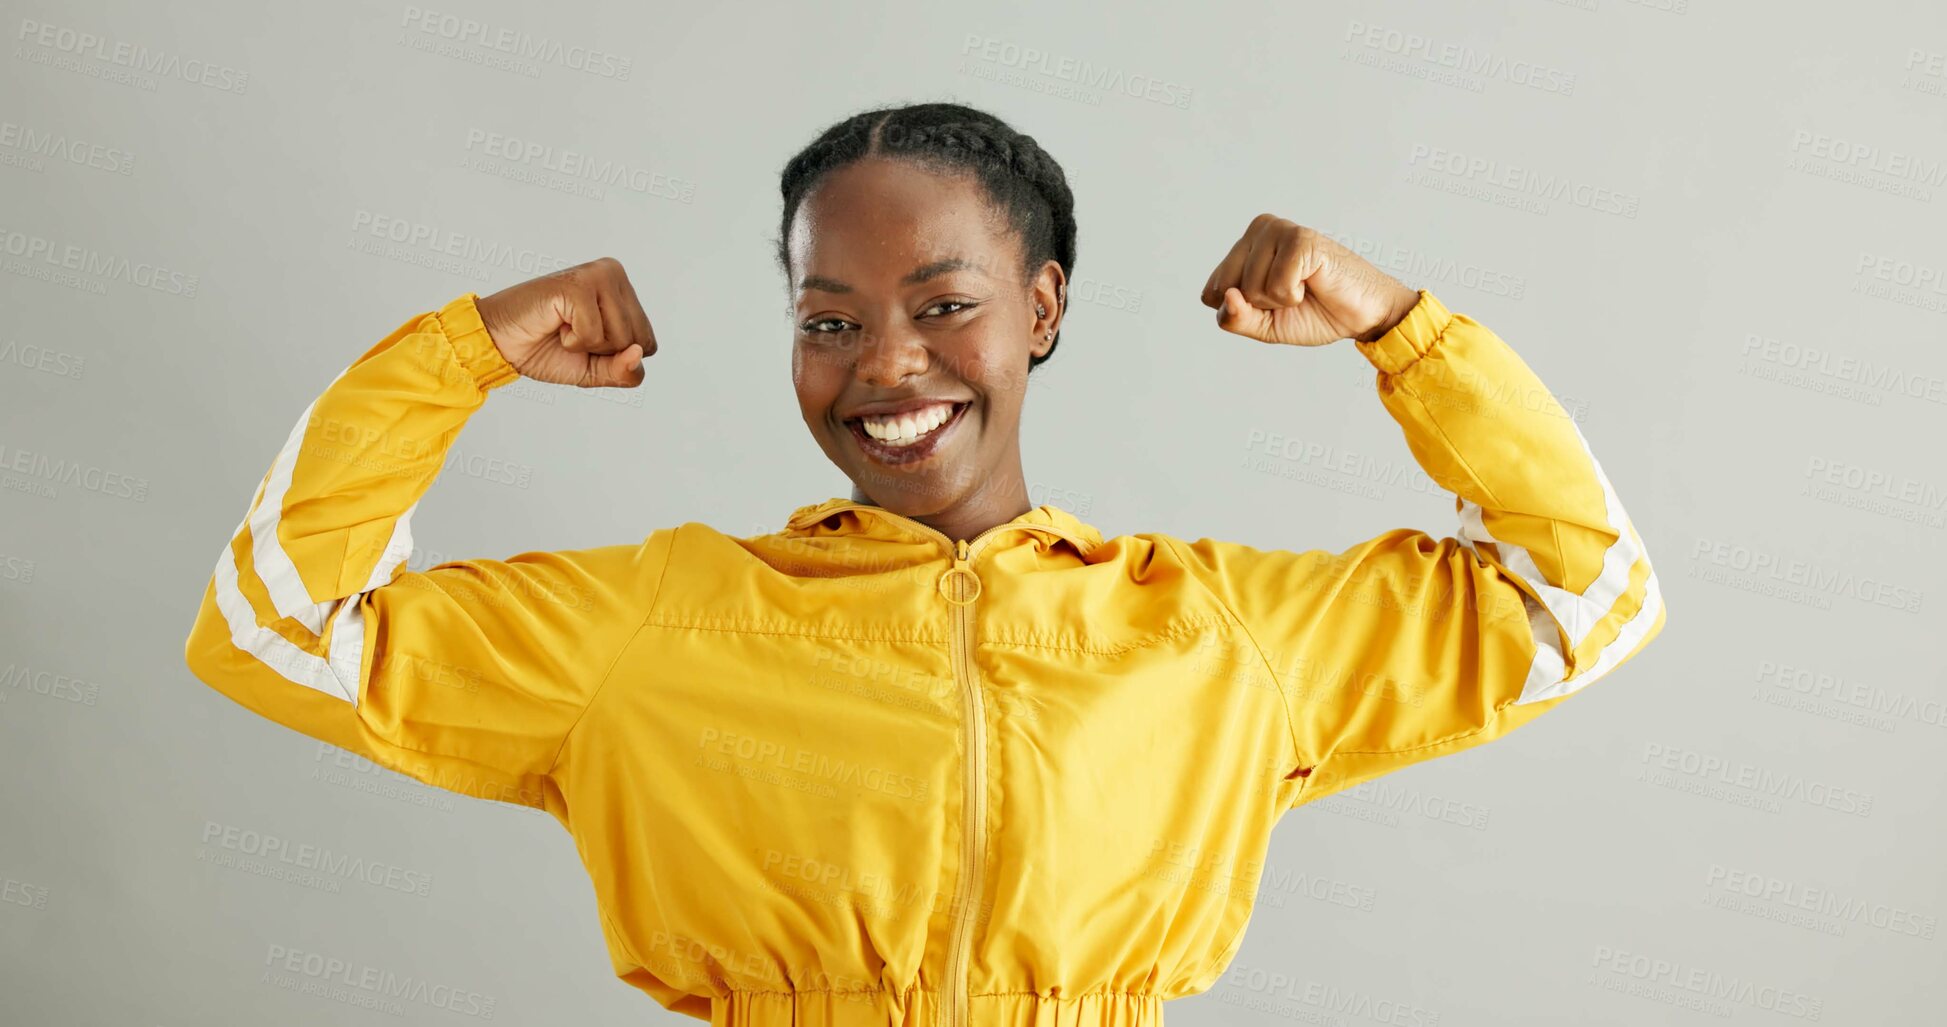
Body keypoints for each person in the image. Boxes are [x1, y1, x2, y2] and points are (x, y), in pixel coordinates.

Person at [182, 102, 1666, 1027]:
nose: (887, 365)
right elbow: (277, 627)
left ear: (1043, 307)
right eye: (828, 321)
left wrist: (1403, 329)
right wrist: (461, 355)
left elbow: (1581, 593)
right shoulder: (660, 622)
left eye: (945, 304)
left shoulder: (1214, 629)